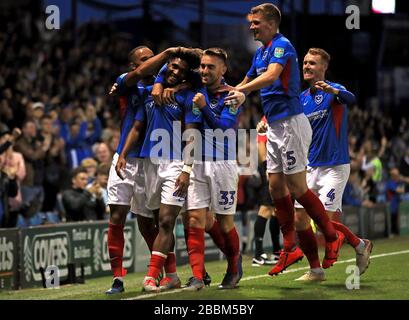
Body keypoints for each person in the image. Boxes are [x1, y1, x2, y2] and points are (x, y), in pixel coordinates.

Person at [225, 3, 343, 276]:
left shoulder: (282, 45)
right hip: (275, 127)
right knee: (276, 188)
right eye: (251, 22)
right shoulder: (261, 52)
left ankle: (330, 235)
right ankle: (290, 247)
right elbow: (252, 75)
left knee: (298, 188)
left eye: (256, 22)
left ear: (270, 23)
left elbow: (271, 76)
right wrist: (233, 90)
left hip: (291, 123)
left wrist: (241, 91)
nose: (251, 26)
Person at [116, 47, 202, 292]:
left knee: (166, 220)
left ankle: (151, 277)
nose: (175, 72)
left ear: (187, 75)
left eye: (181, 70)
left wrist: (187, 168)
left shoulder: (188, 97)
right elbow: (137, 125)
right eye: (172, 67)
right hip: (148, 163)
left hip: (175, 164)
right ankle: (172, 275)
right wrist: (123, 154)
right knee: (156, 220)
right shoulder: (150, 93)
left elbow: (192, 134)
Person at [293, 48, 372, 281]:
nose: (307, 66)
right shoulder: (301, 99)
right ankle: (317, 269)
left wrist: (334, 89)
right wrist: (266, 124)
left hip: (334, 166)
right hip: (310, 167)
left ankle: (359, 244)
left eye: (312, 63)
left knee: (324, 222)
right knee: (300, 220)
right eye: (305, 63)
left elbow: (351, 99)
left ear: (324, 67)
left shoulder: (335, 91)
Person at [180, 48, 245, 290]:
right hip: (198, 163)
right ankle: (197, 276)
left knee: (225, 222)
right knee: (195, 218)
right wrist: (187, 167)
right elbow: (192, 133)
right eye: (203, 66)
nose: (205, 71)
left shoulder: (232, 96)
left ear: (223, 70)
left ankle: (233, 267)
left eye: (211, 67)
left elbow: (223, 128)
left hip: (223, 166)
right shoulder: (196, 94)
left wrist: (205, 106)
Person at [105, 46, 157, 295]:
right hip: (123, 160)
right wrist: (167, 54)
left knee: (150, 224)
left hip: (150, 162)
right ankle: (117, 278)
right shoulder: (125, 85)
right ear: (133, 66)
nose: (150, 63)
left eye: (152, 58)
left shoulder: (164, 86)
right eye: (144, 60)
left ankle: (161, 272)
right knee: (116, 217)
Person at [252, 116, 281, 267]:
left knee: (276, 210)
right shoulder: (266, 118)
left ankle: (277, 252)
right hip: (270, 169)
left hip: (278, 168)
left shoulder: (279, 116)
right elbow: (261, 142)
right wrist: (265, 168)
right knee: (266, 209)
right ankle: (258, 254)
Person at [385, 167, 405, 236]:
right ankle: (391, 233)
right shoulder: (390, 182)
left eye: (397, 175)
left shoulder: (400, 182)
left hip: (397, 204)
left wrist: (403, 179)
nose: (397, 177)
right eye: (395, 175)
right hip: (391, 204)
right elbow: (399, 190)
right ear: (392, 175)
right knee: (392, 220)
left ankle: (396, 232)